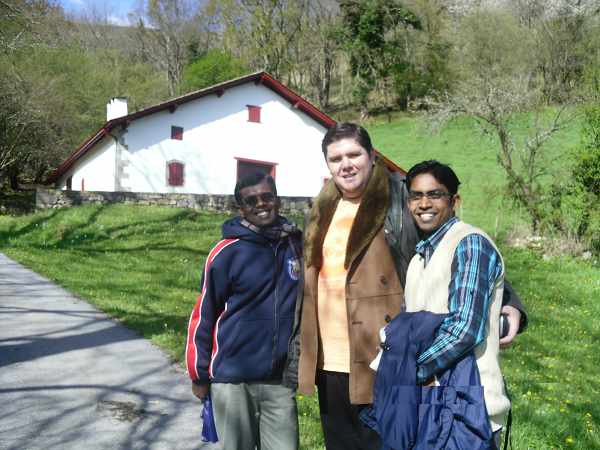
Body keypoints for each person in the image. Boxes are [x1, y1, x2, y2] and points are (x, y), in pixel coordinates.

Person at [284, 123, 526, 450]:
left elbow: (464, 251)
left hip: (386, 361)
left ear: (372, 156)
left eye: (354, 154)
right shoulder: (320, 208)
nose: (346, 164)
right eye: (336, 158)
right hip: (330, 363)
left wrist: (510, 300)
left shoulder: (401, 198)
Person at [185, 172, 302, 450]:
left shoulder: (295, 245)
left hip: (279, 380)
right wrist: (198, 374)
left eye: (267, 196)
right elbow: (204, 314)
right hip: (233, 379)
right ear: (241, 208)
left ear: (277, 200)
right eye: (251, 200)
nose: (261, 204)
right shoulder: (226, 252)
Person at [403, 160, 512, 448]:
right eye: (416, 195)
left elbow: (465, 328)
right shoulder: (418, 258)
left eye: (434, 194)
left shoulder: (470, 244)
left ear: (454, 201)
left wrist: (410, 370)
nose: (424, 204)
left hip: (468, 409)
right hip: (430, 406)